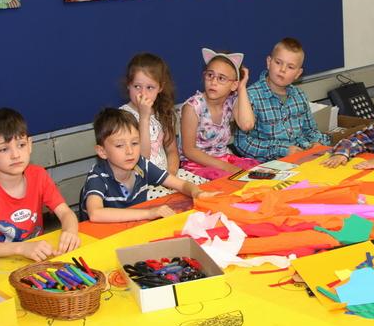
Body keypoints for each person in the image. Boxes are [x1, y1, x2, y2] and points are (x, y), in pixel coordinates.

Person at [0, 108, 80, 261]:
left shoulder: (39, 175)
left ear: (30, 145)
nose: (15, 155)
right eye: (4, 149)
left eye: (21, 145)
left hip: (35, 259)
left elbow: (66, 213)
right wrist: (20, 248)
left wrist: (70, 231)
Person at [80, 109, 217, 222]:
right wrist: (148, 213)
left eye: (135, 143)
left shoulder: (141, 165)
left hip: (132, 228)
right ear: (102, 152)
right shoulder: (97, 176)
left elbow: (180, 184)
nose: (130, 151)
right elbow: (96, 214)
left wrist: (196, 192)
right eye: (120, 145)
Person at [234, 37, 329, 161]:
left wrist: (317, 142)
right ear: (269, 62)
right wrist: (281, 150)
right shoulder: (250, 97)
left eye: (290, 67)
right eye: (278, 63)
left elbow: (311, 130)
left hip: (302, 158)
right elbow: (243, 144)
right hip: (271, 164)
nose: (282, 70)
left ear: (298, 74)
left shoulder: (299, 96)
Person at [120, 53, 197, 198]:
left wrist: (171, 174)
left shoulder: (162, 112)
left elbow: (172, 151)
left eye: (150, 87)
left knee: (199, 191)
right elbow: (142, 159)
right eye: (137, 86)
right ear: (128, 85)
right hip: (142, 182)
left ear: (160, 88)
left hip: (167, 177)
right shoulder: (122, 118)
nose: (143, 93)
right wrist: (144, 118)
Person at [180, 48, 259, 180]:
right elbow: (189, 151)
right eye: (210, 75)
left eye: (221, 78)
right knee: (230, 183)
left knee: (256, 174)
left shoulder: (231, 101)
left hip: (224, 159)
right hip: (197, 165)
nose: (213, 82)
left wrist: (241, 87)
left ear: (233, 85)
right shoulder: (193, 107)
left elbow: (247, 125)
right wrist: (226, 167)